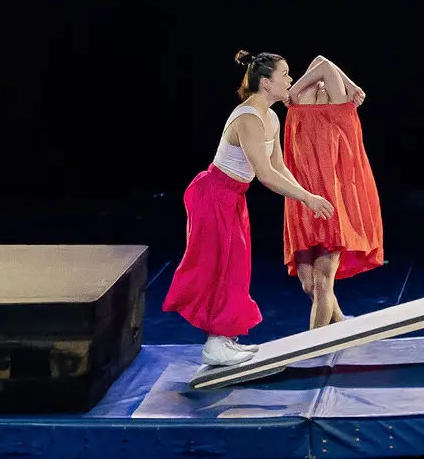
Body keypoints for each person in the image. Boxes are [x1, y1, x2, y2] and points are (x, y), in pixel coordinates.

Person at [163, 51, 336, 368]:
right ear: (266, 83)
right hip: (212, 195)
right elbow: (265, 175)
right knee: (220, 266)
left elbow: (279, 167)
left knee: (237, 267)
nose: (291, 80)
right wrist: (306, 199)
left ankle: (224, 338)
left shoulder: (271, 118)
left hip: (232, 197)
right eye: (285, 75)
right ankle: (215, 343)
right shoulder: (248, 119)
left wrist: (307, 195)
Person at [281, 55, 384, 329]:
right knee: (308, 284)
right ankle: (342, 327)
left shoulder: (339, 108)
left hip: (331, 204)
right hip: (303, 203)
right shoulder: (301, 104)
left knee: (322, 280)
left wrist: (348, 88)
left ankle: (313, 347)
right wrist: (352, 85)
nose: (323, 84)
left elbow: (325, 66)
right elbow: (320, 61)